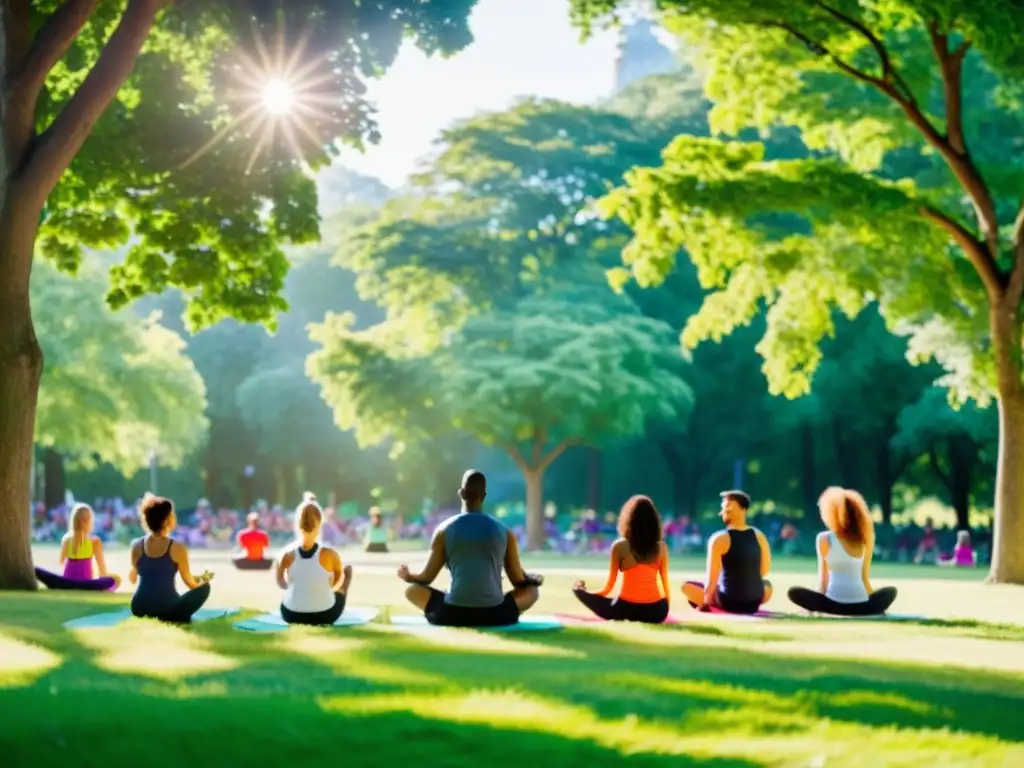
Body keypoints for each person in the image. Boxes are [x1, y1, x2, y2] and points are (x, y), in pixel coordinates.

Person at [397, 470, 543, 627]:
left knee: (412, 591)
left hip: (452, 614)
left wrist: (409, 576)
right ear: (484, 496)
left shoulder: (443, 530)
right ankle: (501, 615)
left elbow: (426, 578)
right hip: (495, 615)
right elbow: (518, 582)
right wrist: (531, 580)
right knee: (532, 592)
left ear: (461, 493)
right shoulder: (504, 531)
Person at [787, 487, 898, 616]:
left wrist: (814, 605)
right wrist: (873, 603)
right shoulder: (865, 540)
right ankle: (867, 607)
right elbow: (864, 580)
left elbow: (823, 583)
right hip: (861, 605)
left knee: (794, 592)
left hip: (832, 604)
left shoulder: (824, 538)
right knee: (891, 591)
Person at [572, 495, 671, 623]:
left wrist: (585, 593)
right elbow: (665, 585)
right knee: (651, 603)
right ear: (654, 522)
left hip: (624, 609)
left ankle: (579, 590)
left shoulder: (619, 546)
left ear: (628, 520)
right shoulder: (661, 547)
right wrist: (665, 607)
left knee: (578, 590)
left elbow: (607, 588)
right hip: (656, 611)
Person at [682, 490, 773, 614]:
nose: (723, 511)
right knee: (767, 586)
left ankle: (718, 603)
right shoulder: (759, 536)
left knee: (686, 587)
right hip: (754, 603)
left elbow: (711, 579)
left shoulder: (719, 538)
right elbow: (764, 570)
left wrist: (705, 602)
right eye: (723, 508)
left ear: (744, 509)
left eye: (728, 507)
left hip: (730, 602)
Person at [129, 494, 213, 623]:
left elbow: (132, 578)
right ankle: (179, 615)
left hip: (139, 607)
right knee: (205, 588)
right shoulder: (177, 547)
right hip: (167, 609)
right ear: (166, 520)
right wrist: (203, 580)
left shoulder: (136, 545)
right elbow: (189, 582)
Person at [276, 492, 352, 625]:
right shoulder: (331, 554)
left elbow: (282, 584)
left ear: (297, 524)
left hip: (290, 614)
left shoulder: (286, 555)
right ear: (319, 524)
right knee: (348, 571)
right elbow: (338, 583)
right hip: (325, 615)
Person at [35, 504, 121, 591]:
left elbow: (61, 562)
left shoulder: (66, 540)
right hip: (86, 584)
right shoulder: (95, 541)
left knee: (41, 572)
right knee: (116, 579)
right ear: (89, 521)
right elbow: (102, 569)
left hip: (67, 583)